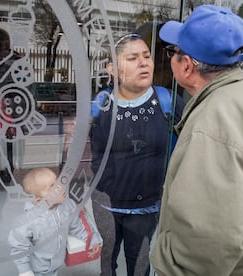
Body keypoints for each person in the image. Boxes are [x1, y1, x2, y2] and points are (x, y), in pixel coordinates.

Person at [150, 5, 243, 276]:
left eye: (173, 51)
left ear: (186, 66)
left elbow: (205, 249)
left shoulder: (214, 124)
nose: (170, 58)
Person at [90, 34, 184, 276]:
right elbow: (84, 153)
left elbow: (190, 150)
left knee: (140, 262)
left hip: (147, 206)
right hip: (106, 205)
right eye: (132, 58)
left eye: (147, 56)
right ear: (113, 69)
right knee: (107, 259)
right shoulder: (101, 105)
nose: (144, 63)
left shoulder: (167, 102)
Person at [8, 167, 102, 276]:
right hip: (37, 269)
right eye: (52, 187)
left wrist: (92, 239)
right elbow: (19, 247)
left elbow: (76, 226)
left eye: (58, 181)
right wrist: (25, 271)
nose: (61, 187)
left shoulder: (67, 206)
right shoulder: (27, 221)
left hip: (56, 264)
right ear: (39, 201)